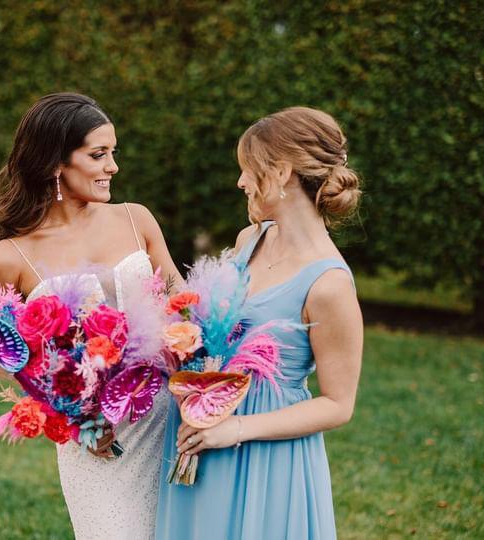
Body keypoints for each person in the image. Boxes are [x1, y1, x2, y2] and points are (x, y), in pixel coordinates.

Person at [156, 106, 364, 539]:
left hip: (266, 457)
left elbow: (338, 404)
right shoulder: (249, 239)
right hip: (202, 435)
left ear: (282, 172)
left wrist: (235, 429)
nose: (241, 182)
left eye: (248, 169)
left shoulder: (329, 284)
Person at [0, 93, 181, 540]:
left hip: (169, 417)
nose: (113, 166)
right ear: (56, 162)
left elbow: (184, 305)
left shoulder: (136, 219)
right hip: (96, 440)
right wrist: (77, 416)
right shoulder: (10, 256)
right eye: (98, 154)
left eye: (113, 152)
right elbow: (8, 358)